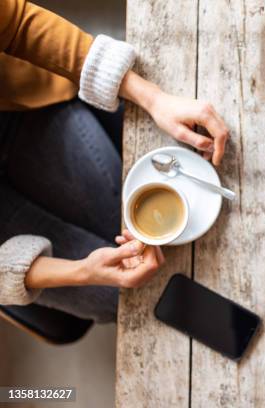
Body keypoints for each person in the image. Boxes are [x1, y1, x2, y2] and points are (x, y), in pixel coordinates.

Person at [0, 0, 230, 323]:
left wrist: (155, 99)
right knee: (118, 298)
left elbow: (19, 25)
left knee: (128, 224)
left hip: (18, 113)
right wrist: (81, 272)